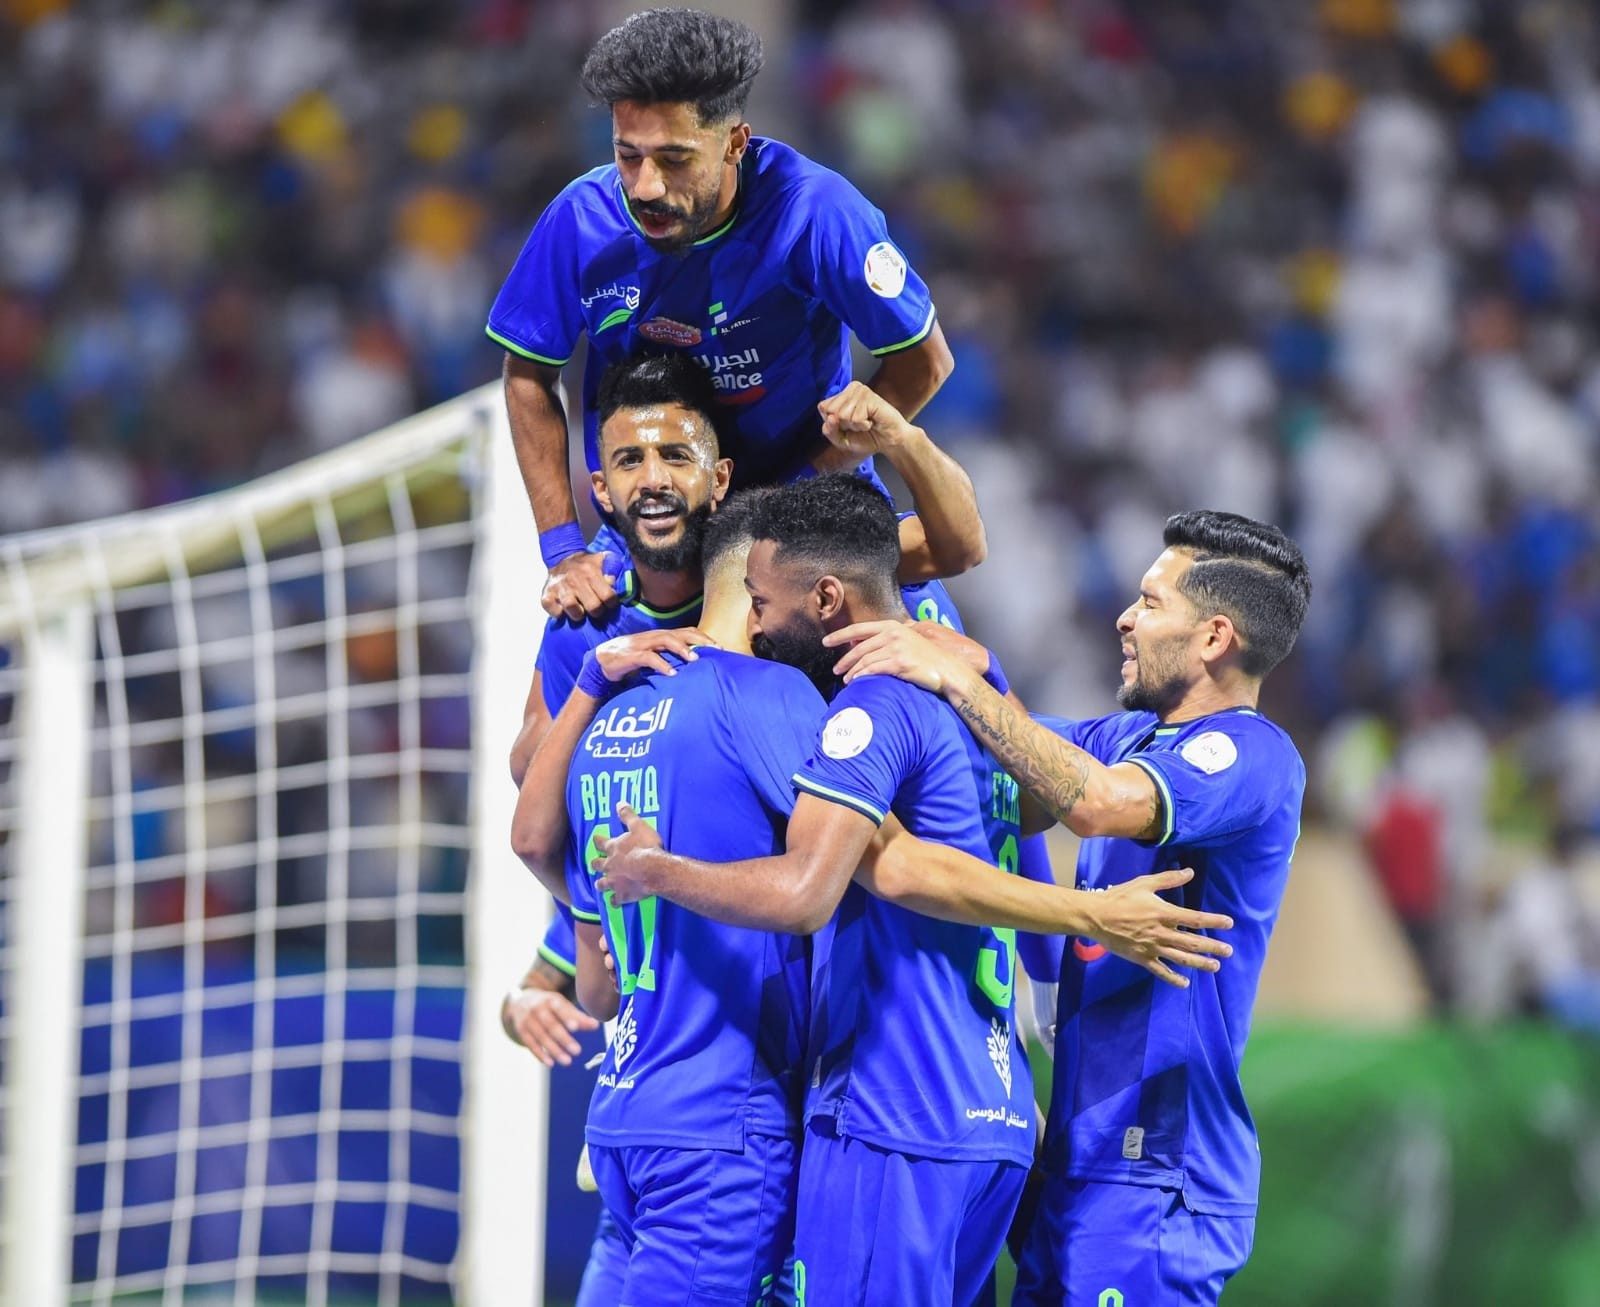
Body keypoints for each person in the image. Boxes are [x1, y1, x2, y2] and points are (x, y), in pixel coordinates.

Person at [588, 477, 1236, 1305]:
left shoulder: (872, 706)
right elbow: (1007, 824)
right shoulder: (981, 708)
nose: (754, 624)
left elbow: (823, 886)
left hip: (893, 1111)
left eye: (762, 601)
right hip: (990, 1113)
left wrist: (659, 870)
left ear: (827, 598)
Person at [825, 509, 1313, 1306]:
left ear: (1214, 637)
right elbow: (1015, 774)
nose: (1125, 616)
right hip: (1082, 1166)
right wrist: (971, 670)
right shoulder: (1129, 737)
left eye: (1150, 602)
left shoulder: (1253, 755)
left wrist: (959, 680)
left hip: (1156, 1172)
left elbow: (1093, 802)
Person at [485, 7, 957, 621]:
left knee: (931, 671)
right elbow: (527, 374)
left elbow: (924, 360)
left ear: (735, 143)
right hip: (654, 537)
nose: (646, 186)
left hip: (808, 518)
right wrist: (563, 550)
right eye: (628, 156)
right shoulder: (581, 220)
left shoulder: (817, 213)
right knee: (567, 681)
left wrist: (798, 489)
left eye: (674, 159)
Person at [513, 495, 825, 1306]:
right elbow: (857, 867)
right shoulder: (769, 694)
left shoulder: (609, 717)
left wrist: (588, 680)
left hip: (624, 1111)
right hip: (722, 1121)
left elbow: (542, 864)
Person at [507, 351, 983, 785]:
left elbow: (957, 548)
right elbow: (527, 771)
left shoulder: (779, 553)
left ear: (719, 479)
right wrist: (597, 686)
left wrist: (903, 439)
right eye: (630, 461)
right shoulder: (593, 608)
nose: (653, 480)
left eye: (675, 457)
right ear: (602, 489)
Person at [497, 905, 626, 1307]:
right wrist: (523, 1003)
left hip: (721, 1158)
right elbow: (530, 988)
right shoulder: (607, 890)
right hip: (627, 1189)